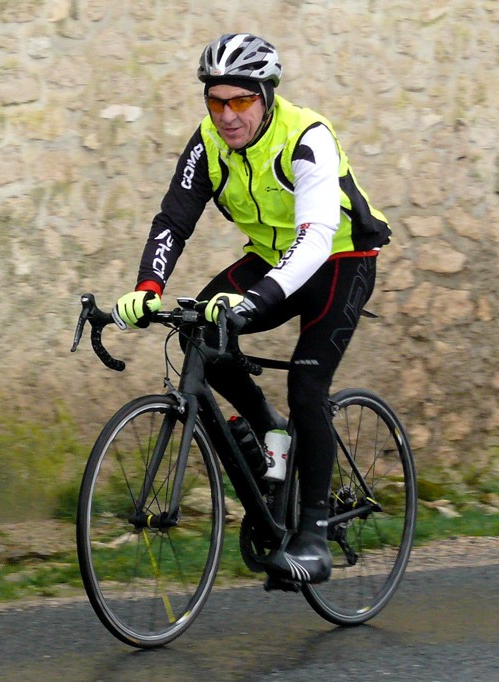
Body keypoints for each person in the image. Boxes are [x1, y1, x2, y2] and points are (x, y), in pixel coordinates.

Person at [111, 33, 392, 586]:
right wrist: (147, 286)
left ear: (266, 96)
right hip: (271, 257)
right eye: (216, 102)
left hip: (340, 260)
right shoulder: (208, 143)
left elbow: (316, 237)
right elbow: (173, 219)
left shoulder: (307, 137)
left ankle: (313, 538)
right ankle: (270, 437)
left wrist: (256, 299)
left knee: (307, 389)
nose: (227, 115)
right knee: (199, 331)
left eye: (241, 100)